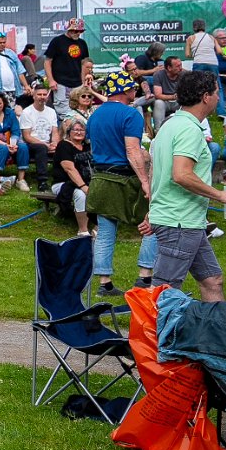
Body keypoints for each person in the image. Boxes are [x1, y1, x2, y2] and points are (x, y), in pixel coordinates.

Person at [147, 70, 226, 302]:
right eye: (217, 93)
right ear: (205, 97)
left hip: (186, 220)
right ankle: (152, 328)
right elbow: (181, 174)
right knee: (164, 291)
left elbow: (155, 171)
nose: (219, 98)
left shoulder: (170, 124)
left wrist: (153, 209)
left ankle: (217, 326)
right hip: (179, 221)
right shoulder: (188, 129)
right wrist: (220, 195)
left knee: (212, 280)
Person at [85, 73, 158, 296]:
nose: (135, 91)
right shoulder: (130, 114)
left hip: (100, 179)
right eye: (132, 88)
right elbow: (131, 150)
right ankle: (145, 277)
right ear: (124, 90)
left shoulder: (95, 115)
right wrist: (145, 181)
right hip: (124, 179)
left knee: (105, 232)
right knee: (152, 224)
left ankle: (104, 283)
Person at [52, 117, 93, 237]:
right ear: (69, 132)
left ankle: (97, 228)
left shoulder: (88, 147)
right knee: (81, 194)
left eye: (82, 130)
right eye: (75, 130)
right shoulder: (63, 145)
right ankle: (83, 230)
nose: (79, 132)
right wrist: (83, 186)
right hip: (64, 183)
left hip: (87, 182)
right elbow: (69, 169)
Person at [17, 86, 60, 190]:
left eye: (44, 94)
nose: (42, 97)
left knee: (63, 146)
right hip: (30, 144)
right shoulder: (27, 112)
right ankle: (42, 181)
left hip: (47, 143)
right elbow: (26, 136)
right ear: (34, 96)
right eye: (39, 94)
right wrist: (45, 144)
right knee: (41, 148)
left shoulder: (51, 111)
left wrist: (55, 143)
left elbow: (55, 131)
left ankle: (61, 178)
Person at [43, 17, 92, 98]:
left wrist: (86, 79)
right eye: (76, 31)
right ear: (69, 30)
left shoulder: (82, 43)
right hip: (60, 83)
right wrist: (51, 80)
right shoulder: (57, 41)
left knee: (79, 105)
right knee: (63, 106)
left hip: (79, 83)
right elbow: (47, 62)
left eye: (81, 31)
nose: (78, 33)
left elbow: (85, 63)